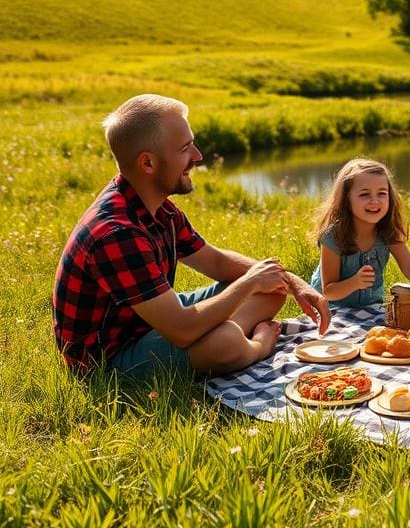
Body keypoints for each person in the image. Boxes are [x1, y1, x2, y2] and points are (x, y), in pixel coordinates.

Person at [53, 94, 330, 379]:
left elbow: (217, 262)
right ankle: (252, 346)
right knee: (226, 340)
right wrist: (249, 286)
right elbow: (182, 331)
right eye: (185, 148)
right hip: (109, 358)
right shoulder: (117, 233)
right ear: (147, 163)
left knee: (271, 288)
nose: (197, 156)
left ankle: (225, 336)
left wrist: (293, 282)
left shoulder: (159, 209)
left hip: (149, 321)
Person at [309, 158, 410, 307]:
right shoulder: (333, 237)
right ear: (347, 200)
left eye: (382, 193)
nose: (375, 201)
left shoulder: (388, 230)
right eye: (365, 194)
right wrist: (355, 282)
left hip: (372, 306)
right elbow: (328, 291)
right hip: (329, 308)